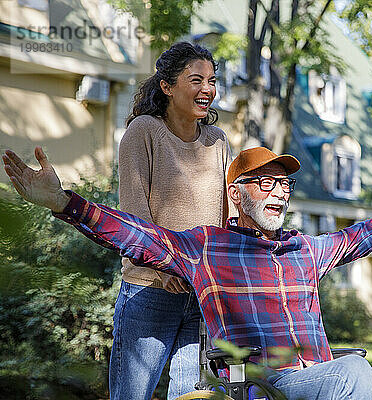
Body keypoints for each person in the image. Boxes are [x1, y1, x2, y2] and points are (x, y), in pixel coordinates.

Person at [3, 146, 372, 400]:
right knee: (354, 374)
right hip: (271, 384)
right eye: (266, 182)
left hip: (328, 379)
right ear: (236, 195)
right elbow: (134, 235)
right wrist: (64, 203)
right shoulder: (207, 248)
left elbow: (362, 236)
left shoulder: (305, 249)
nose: (279, 191)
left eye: (284, 183)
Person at [115, 42, 231, 399]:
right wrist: (163, 268)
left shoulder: (218, 141)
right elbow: (135, 215)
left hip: (200, 293)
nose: (207, 90)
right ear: (167, 86)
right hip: (149, 289)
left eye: (212, 81)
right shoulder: (144, 132)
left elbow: (225, 218)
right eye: (196, 80)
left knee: (192, 396)